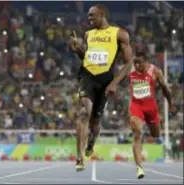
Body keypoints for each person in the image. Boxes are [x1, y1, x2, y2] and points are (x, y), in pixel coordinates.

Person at [70, 4, 133, 171]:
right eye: (88, 16)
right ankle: (79, 157)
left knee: (95, 123)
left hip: (105, 79)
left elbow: (129, 64)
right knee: (85, 112)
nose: (89, 19)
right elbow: (88, 58)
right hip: (88, 76)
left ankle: (92, 141)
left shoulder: (119, 34)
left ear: (102, 14)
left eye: (92, 16)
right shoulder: (88, 34)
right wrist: (77, 50)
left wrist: (114, 83)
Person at [128, 51, 177, 179]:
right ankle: (139, 167)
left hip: (151, 108)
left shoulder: (155, 71)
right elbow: (116, 77)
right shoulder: (130, 69)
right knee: (137, 132)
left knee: (156, 134)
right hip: (136, 106)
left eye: (140, 63)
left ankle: (148, 132)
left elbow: (165, 88)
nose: (137, 66)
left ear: (147, 62)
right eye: (135, 63)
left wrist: (171, 104)